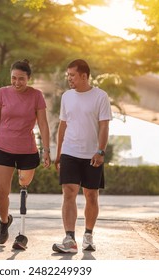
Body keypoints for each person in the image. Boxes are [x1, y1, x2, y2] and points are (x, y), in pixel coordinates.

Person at [0, 59, 51, 248]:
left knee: (23, 185)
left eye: (21, 79)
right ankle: (5, 221)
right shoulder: (3, 93)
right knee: (0, 193)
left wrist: (46, 150)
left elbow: (43, 124)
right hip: (3, 147)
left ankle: (21, 235)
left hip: (27, 150)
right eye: (13, 78)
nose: (17, 82)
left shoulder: (36, 95)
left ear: (29, 78)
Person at [52, 59, 112, 253]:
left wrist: (101, 151)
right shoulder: (67, 97)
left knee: (91, 195)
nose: (69, 78)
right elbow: (63, 125)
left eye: (72, 75)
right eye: (68, 75)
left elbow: (104, 125)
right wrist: (59, 152)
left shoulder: (100, 96)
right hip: (70, 151)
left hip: (92, 154)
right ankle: (70, 239)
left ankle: (88, 235)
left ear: (84, 76)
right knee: (68, 192)